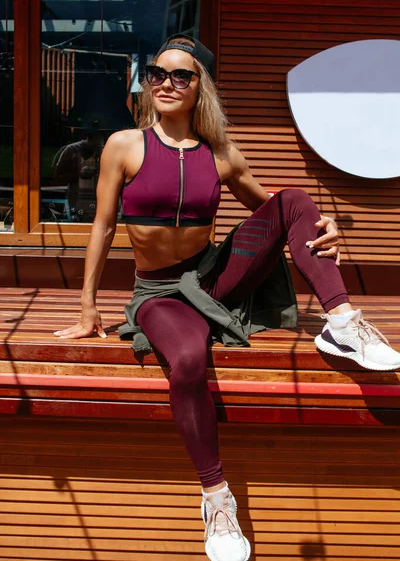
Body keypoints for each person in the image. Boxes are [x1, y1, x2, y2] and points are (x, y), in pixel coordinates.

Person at [54, 34, 400, 561]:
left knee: (298, 198)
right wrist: (88, 309)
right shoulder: (124, 145)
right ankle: (216, 499)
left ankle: (344, 321)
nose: (167, 83)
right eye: (158, 73)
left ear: (200, 89)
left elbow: (280, 212)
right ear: (147, 83)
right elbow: (102, 228)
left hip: (214, 278)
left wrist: (321, 223)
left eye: (182, 75)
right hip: (161, 292)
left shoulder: (220, 154)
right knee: (189, 361)